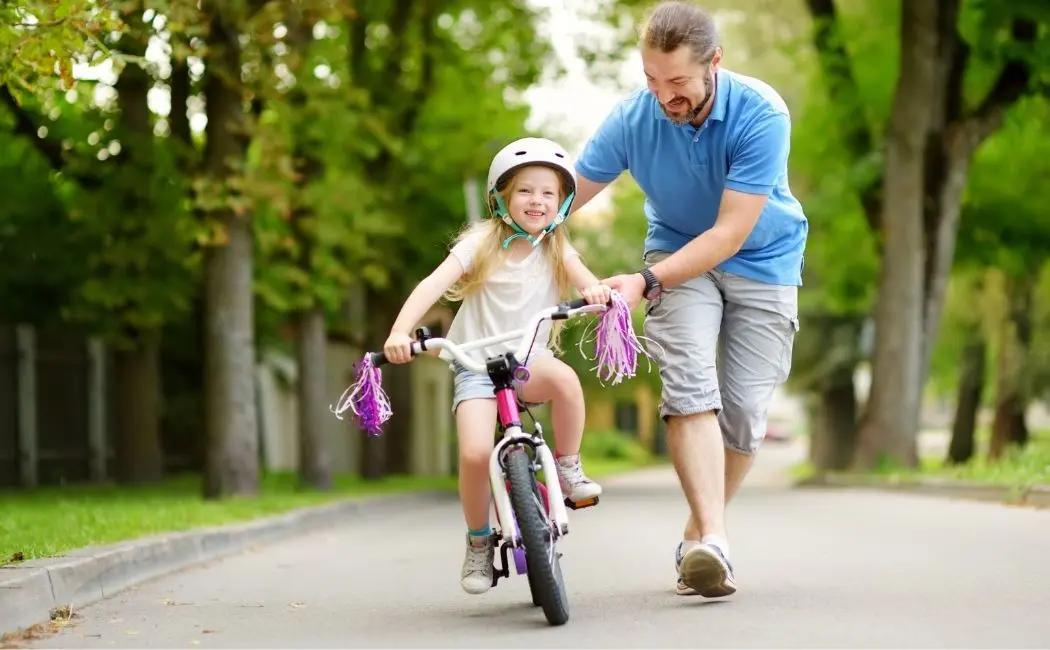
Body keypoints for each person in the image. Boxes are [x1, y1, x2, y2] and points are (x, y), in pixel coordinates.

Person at [569, 1, 808, 598]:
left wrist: (643, 284)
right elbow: (565, 193)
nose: (663, 95)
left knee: (746, 412)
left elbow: (730, 233)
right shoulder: (633, 117)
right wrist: (511, 221)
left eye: (676, 82)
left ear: (715, 64)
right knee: (689, 387)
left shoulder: (761, 112)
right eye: (651, 78)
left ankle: (700, 531)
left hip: (763, 258)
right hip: (676, 258)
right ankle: (714, 544)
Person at [382, 137, 612, 596]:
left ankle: (567, 467)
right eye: (526, 190)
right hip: (475, 366)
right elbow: (432, 285)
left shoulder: (555, 246)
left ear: (562, 202)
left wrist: (597, 293)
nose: (537, 201)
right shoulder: (481, 242)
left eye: (549, 193)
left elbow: (588, 283)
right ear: (502, 196)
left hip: (529, 361)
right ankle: (479, 540)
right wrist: (399, 332)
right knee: (472, 454)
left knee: (566, 381)